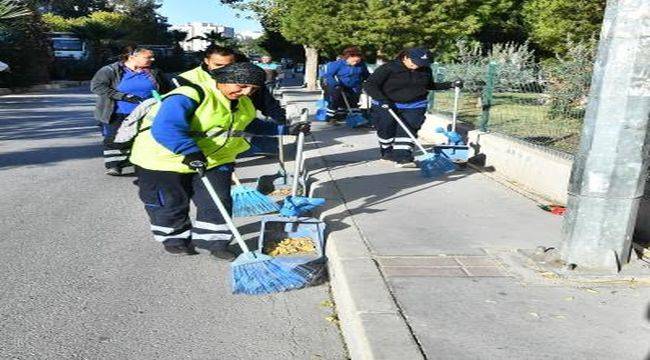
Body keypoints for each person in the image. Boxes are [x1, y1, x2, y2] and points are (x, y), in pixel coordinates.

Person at [129, 62, 310, 258]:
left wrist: (285, 130)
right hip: (163, 159)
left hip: (214, 159)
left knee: (218, 200)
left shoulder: (243, 103)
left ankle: (215, 242)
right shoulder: (188, 96)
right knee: (170, 202)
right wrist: (190, 152)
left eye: (253, 89)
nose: (247, 92)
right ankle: (175, 239)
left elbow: (249, 124)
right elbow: (165, 127)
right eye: (241, 86)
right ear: (223, 80)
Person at [174, 45, 287, 156]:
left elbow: (265, 104)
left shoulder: (246, 77)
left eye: (229, 65)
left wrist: (282, 122)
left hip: (229, 145)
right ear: (206, 61)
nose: (246, 92)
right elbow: (169, 124)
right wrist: (188, 150)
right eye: (218, 65)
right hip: (192, 146)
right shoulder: (186, 80)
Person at [363, 47, 462, 167]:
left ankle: (403, 158)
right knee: (386, 129)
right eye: (414, 62)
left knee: (408, 129)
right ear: (405, 57)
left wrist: (450, 84)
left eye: (421, 64)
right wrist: (381, 99)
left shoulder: (425, 70)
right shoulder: (388, 68)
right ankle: (387, 151)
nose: (417, 66)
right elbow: (370, 85)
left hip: (415, 105)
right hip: (387, 104)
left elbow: (430, 85)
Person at [90, 45, 170, 176]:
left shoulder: (154, 72)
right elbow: (97, 87)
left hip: (147, 112)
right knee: (115, 138)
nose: (152, 59)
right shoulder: (111, 70)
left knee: (142, 138)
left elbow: (167, 88)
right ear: (133, 57)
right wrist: (123, 96)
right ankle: (114, 165)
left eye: (152, 57)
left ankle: (139, 163)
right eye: (148, 57)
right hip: (117, 112)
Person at [323, 47, 370, 125]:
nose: (356, 63)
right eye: (354, 61)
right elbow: (328, 75)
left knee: (354, 101)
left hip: (354, 86)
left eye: (358, 61)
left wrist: (371, 81)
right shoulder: (338, 64)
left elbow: (366, 75)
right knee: (336, 100)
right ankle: (330, 118)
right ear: (348, 57)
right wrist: (335, 85)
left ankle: (355, 118)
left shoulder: (361, 65)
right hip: (338, 85)